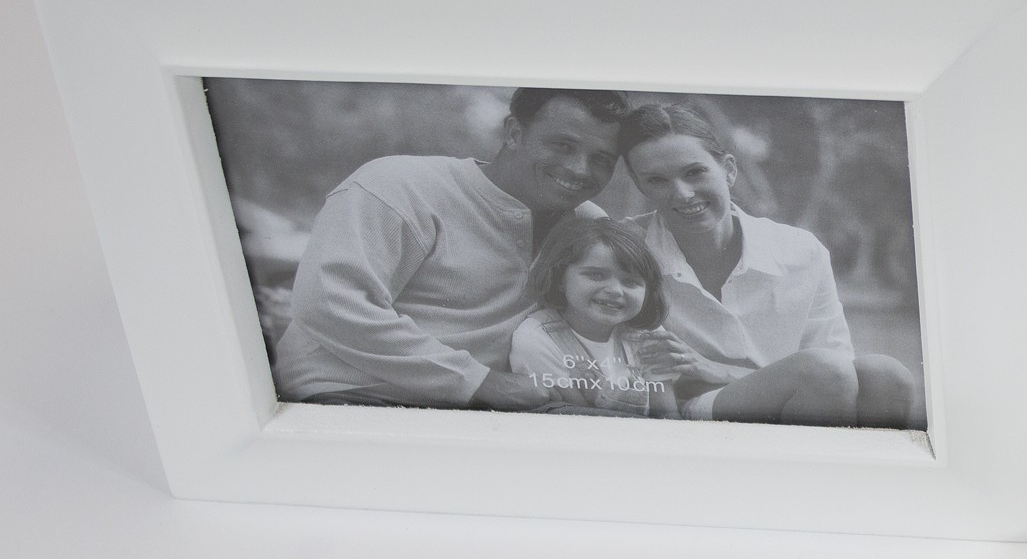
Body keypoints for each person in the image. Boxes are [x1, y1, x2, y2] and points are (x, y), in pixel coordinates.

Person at [272, 87, 627, 410]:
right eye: (563, 145)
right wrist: (478, 381)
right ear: (514, 133)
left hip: (489, 412)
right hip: (347, 397)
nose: (580, 169)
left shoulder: (589, 225)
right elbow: (329, 303)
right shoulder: (399, 185)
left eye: (601, 159)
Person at [618, 101, 918, 427]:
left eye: (694, 172)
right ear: (640, 186)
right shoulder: (626, 250)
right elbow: (635, 372)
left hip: (806, 395)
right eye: (657, 180)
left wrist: (719, 369)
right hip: (695, 410)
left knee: (887, 377)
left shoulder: (800, 251)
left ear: (729, 170)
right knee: (822, 371)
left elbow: (839, 366)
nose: (682, 193)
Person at [508, 218, 675, 417]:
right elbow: (583, 420)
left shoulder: (648, 335)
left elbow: (667, 415)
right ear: (560, 278)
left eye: (630, 282)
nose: (615, 290)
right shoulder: (536, 339)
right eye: (596, 275)